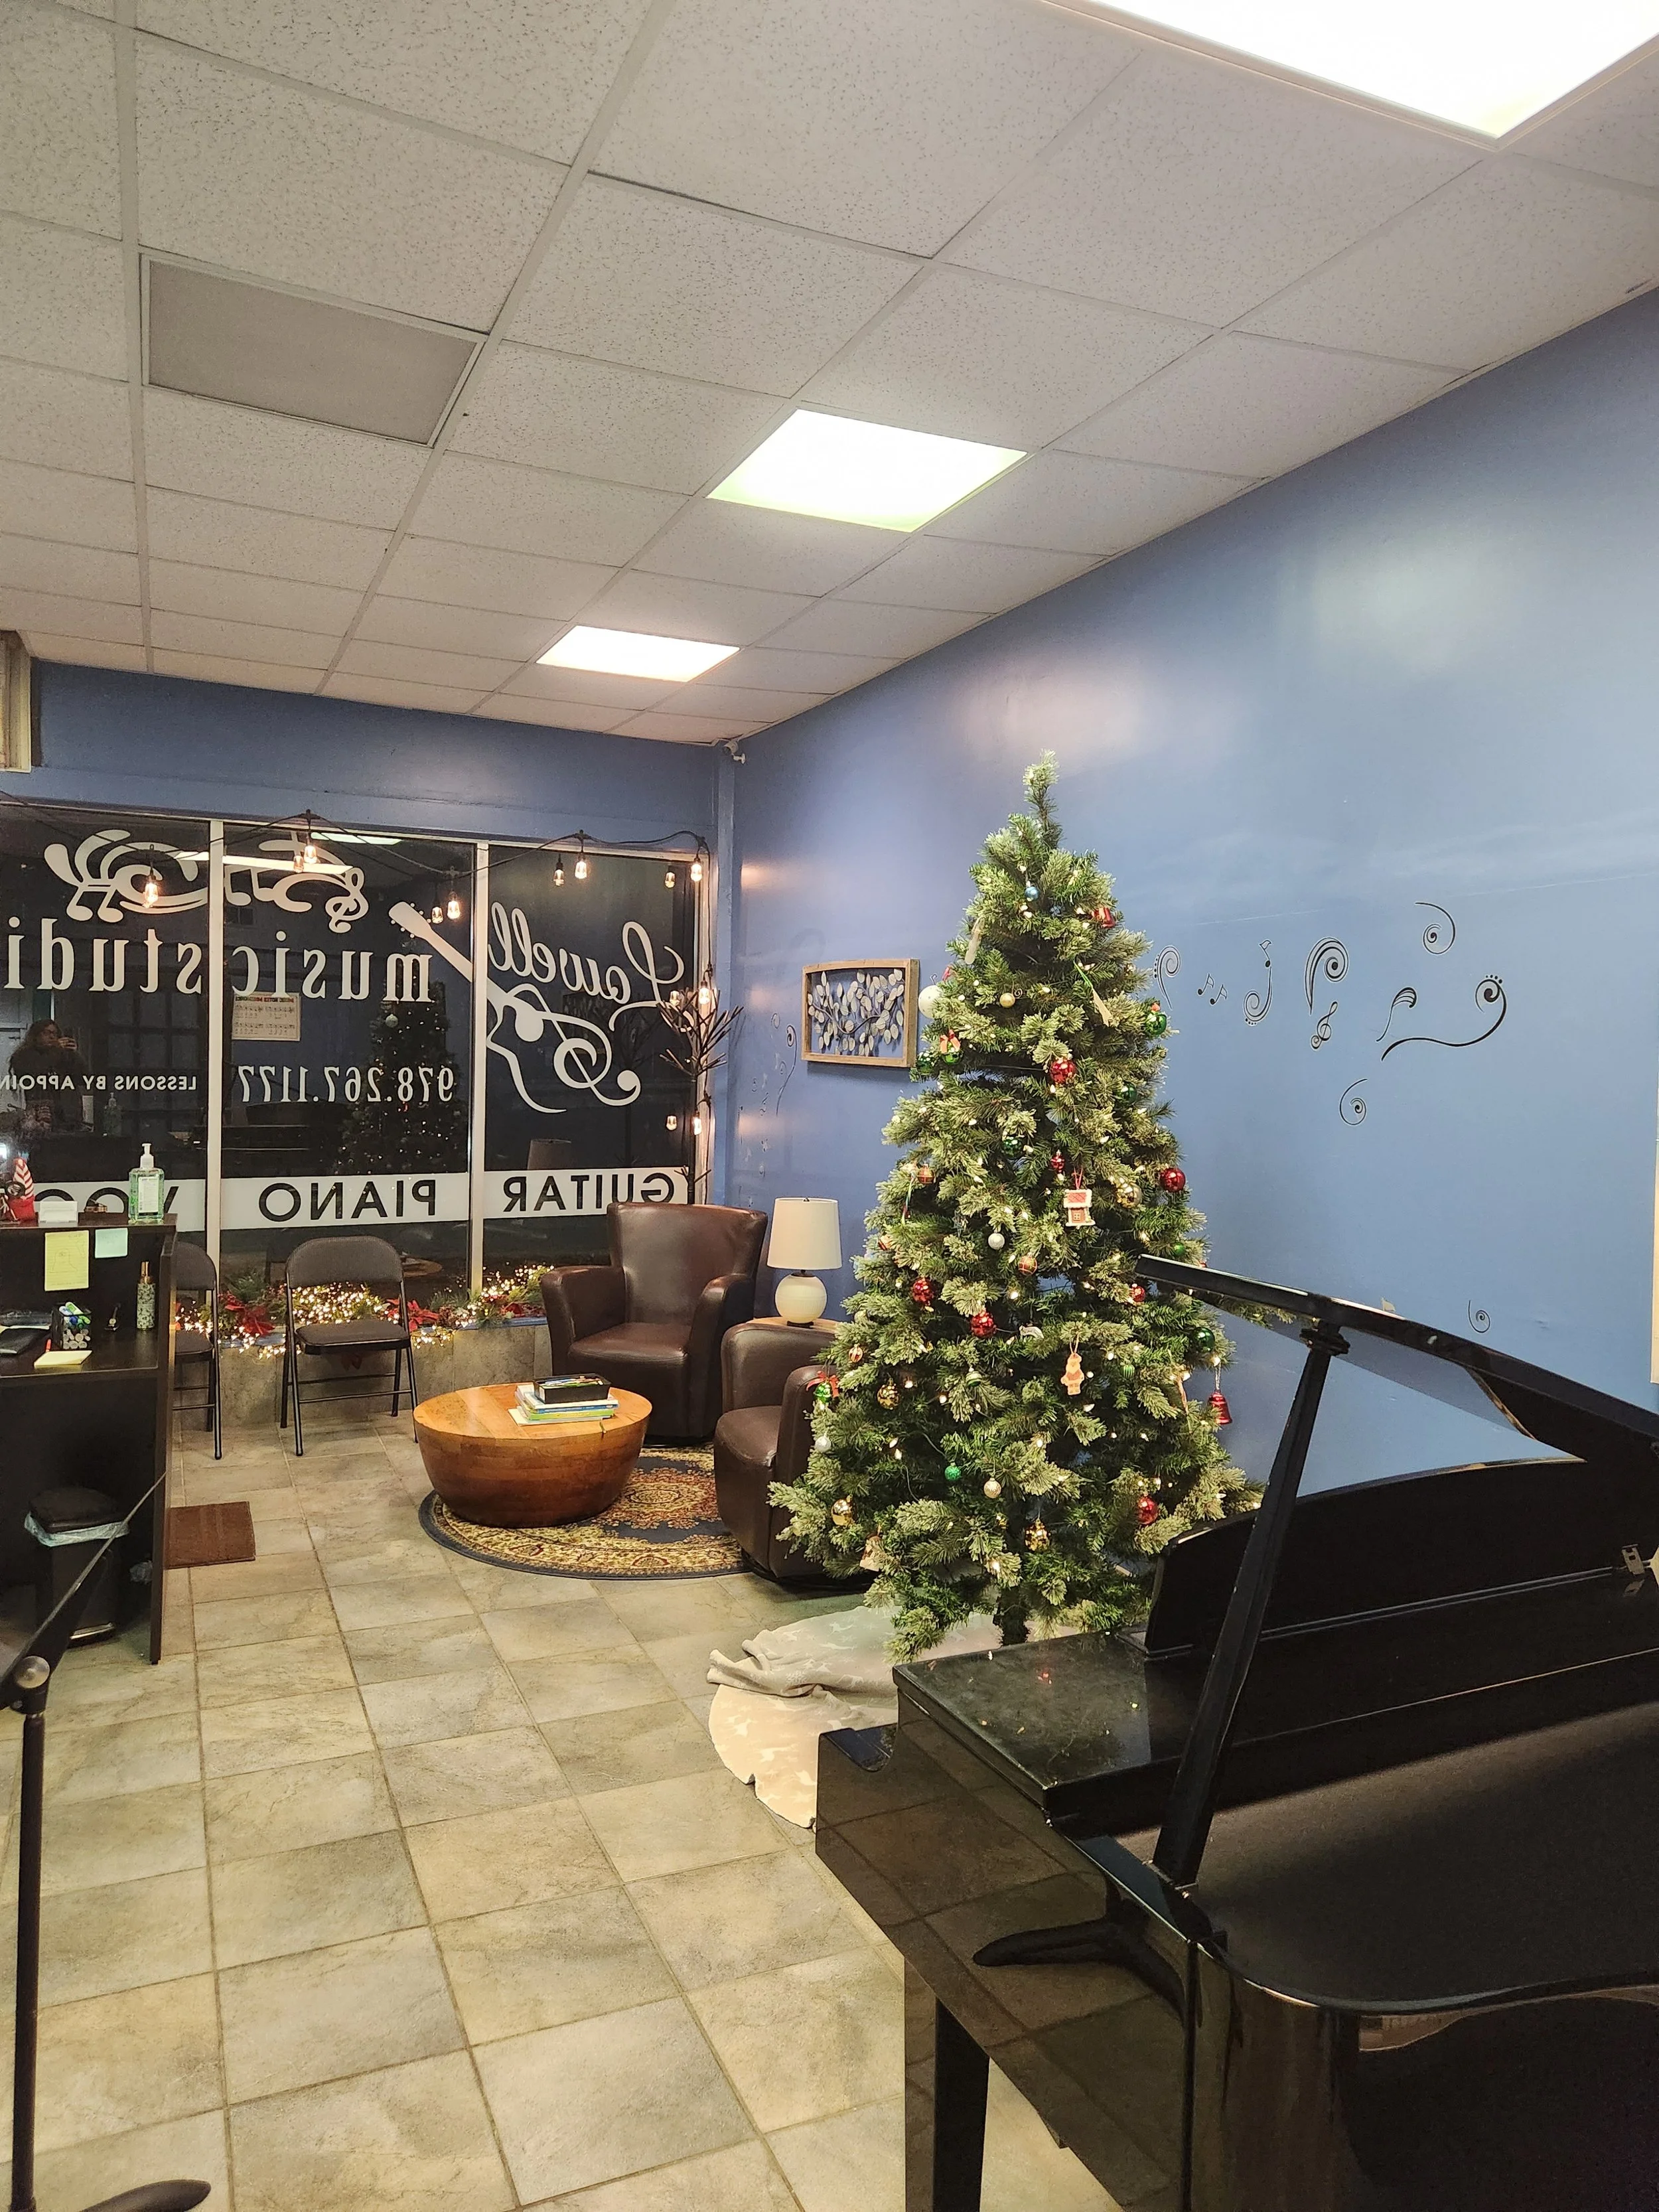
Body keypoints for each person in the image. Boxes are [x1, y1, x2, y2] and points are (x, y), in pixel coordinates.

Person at [8, 1020, 88, 1140]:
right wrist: (56, 1050)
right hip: (40, 1119)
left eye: (55, 1034)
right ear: (36, 1036)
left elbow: (84, 1077)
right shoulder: (24, 1055)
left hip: (69, 1117)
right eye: (47, 1033)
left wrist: (74, 1055)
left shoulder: (63, 1056)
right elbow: (35, 1073)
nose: (52, 1037)